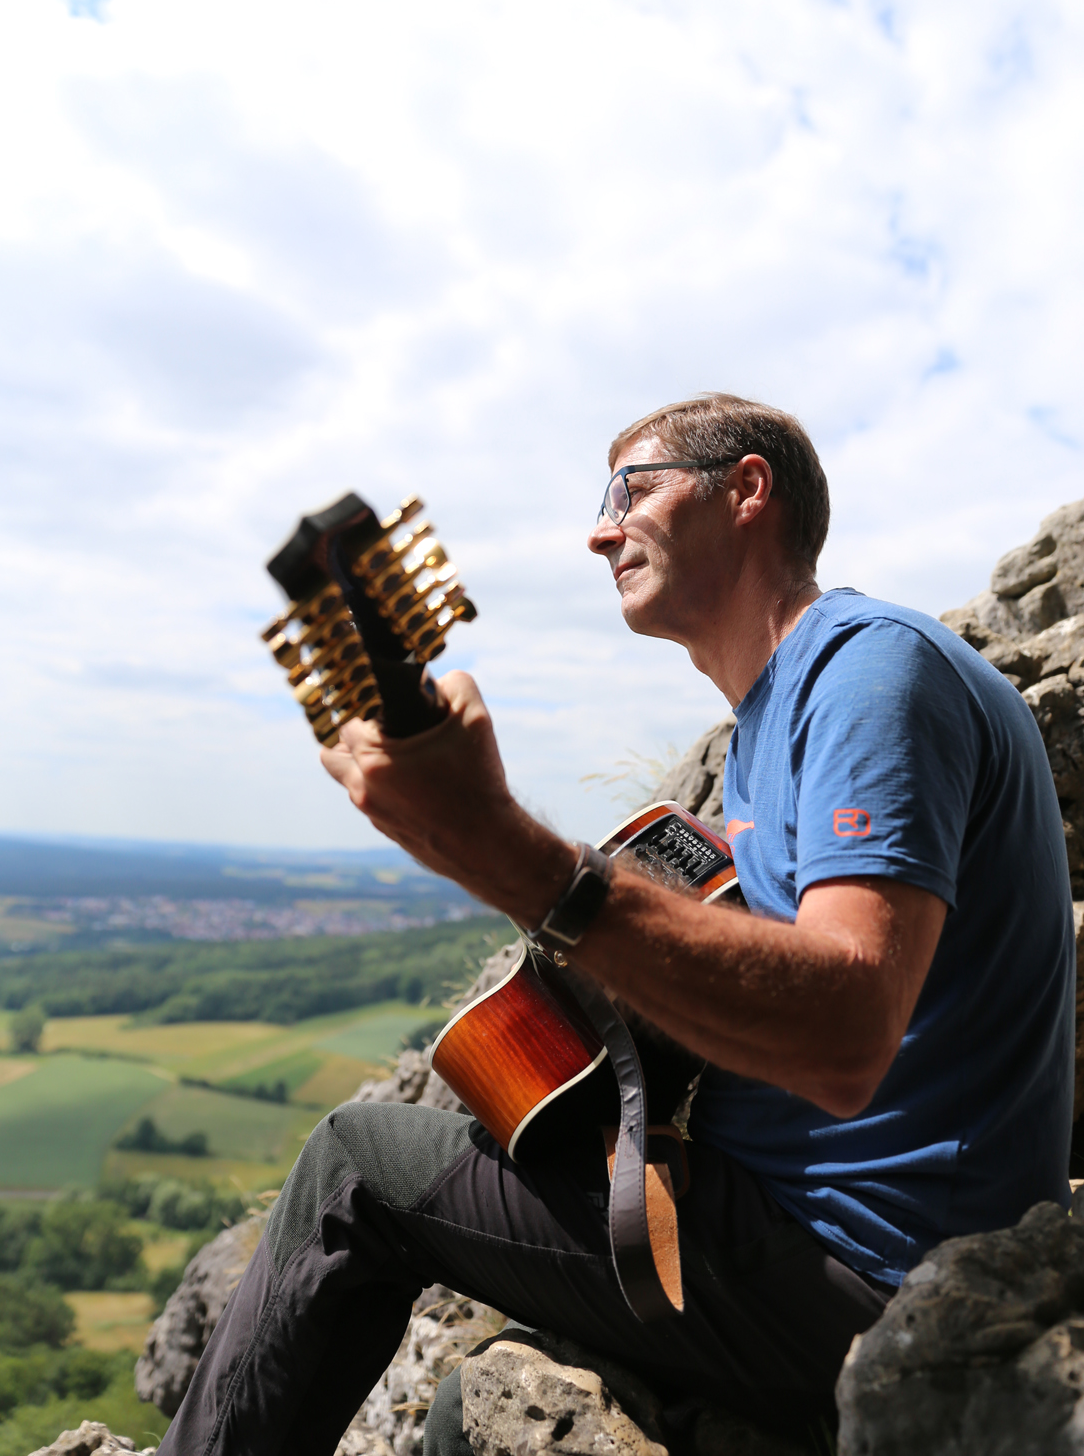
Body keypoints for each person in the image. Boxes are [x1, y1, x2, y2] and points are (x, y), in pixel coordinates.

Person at [158, 393, 1073, 1456]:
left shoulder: (866, 666)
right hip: (792, 1237)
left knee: (355, 1165)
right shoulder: (766, 732)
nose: (598, 529)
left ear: (745, 489)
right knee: (472, 1410)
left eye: (629, 490)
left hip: (872, 1273)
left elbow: (845, 1031)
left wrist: (507, 848)